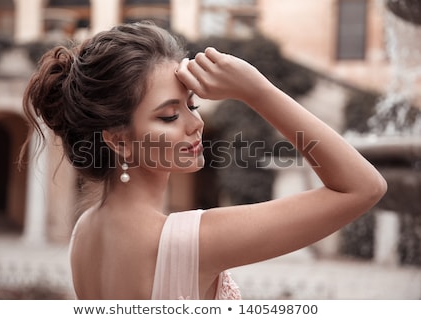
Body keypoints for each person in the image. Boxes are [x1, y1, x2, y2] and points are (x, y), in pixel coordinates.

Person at [21, 21, 387, 300]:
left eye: (192, 106)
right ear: (119, 140)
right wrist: (257, 91)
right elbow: (363, 188)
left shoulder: (85, 230)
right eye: (169, 116)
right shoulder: (192, 241)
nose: (196, 123)